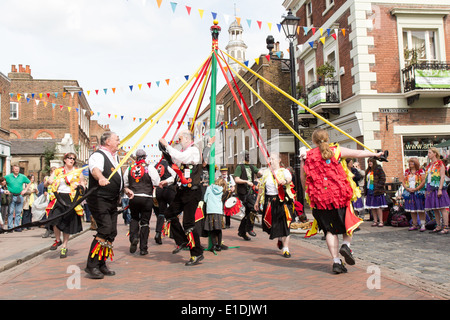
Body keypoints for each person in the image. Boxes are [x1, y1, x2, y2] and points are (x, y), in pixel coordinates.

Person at [301, 128, 383, 274]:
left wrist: (308, 193)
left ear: (313, 141)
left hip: (320, 199)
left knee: (329, 231)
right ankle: (346, 244)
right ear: (327, 138)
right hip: (339, 196)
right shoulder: (336, 150)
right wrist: (375, 154)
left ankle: (336, 261)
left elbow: (303, 178)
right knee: (348, 222)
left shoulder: (307, 155)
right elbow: (358, 153)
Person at [159, 130, 204, 266]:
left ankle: (197, 253)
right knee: (169, 214)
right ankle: (182, 241)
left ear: (186, 138)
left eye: (179, 138)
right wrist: (166, 181)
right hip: (182, 191)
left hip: (192, 191)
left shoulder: (193, 151)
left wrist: (167, 145)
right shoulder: (184, 154)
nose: (178, 141)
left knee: (188, 223)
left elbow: (180, 156)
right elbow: (176, 166)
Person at [85, 132, 123, 279]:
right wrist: (100, 178)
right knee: (105, 228)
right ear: (107, 141)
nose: (119, 141)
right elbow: (95, 169)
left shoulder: (116, 157)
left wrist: (124, 189)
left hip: (112, 199)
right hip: (99, 198)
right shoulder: (98, 155)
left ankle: (101, 263)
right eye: (117, 139)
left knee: (111, 232)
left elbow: (116, 178)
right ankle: (92, 265)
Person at [45, 153, 86, 258]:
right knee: (55, 219)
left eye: (73, 159)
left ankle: (64, 246)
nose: (71, 160)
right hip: (58, 198)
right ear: (65, 159)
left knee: (67, 223)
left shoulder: (77, 172)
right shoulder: (58, 171)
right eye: (69, 158)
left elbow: (83, 185)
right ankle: (58, 240)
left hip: (71, 199)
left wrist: (80, 187)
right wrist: (48, 182)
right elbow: (48, 182)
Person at [255, 153, 295, 258]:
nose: (270, 160)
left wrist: (284, 181)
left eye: (272, 159)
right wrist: (257, 201)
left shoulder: (284, 171)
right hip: (269, 201)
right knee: (271, 225)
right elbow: (261, 188)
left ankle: (286, 249)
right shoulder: (266, 173)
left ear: (279, 160)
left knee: (285, 224)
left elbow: (289, 179)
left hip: (282, 201)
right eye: (269, 159)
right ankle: (280, 238)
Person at [123, 149, 160, 255]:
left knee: (134, 218)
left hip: (134, 197)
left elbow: (125, 183)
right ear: (145, 157)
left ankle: (134, 237)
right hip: (146, 198)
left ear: (136, 157)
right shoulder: (150, 168)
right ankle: (143, 248)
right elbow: (156, 182)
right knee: (145, 223)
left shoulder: (129, 168)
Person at [233, 151, 262, 240]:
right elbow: (237, 179)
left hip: (251, 192)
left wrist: (263, 173)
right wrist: (246, 182)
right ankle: (249, 228)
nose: (247, 159)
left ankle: (242, 232)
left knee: (248, 212)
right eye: (246, 157)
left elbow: (259, 173)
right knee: (253, 208)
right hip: (243, 193)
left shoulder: (251, 166)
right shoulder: (239, 167)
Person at [424, 148, 450, 234]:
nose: (428, 154)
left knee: (442, 207)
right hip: (430, 187)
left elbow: (442, 176)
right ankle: (438, 225)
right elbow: (427, 178)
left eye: (430, 153)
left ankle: (446, 226)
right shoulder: (429, 165)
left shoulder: (440, 163)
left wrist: (440, 189)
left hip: (438, 187)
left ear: (435, 154)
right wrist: (426, 190)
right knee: (434, 208)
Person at [154, 157, 177, 244]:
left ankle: (158, 233)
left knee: (161, 213)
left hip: (159, 190)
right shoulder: (169, 164)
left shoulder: (156, 165)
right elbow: (175, 176)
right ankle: (174, 234)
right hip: (169, 189)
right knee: (174, 212)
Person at [401, 157, 427, 232]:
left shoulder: (420, 171)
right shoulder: (407, 172)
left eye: (412, 162)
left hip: (418, 192)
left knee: (420, 209)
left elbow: (423, 181)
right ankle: (414, 224)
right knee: (412, 210)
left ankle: (422, 224)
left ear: (415, 163)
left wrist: (417, 188)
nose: (410, 164)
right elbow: (403, 180)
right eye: (409, 163)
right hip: (409, 192)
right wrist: (407, 188)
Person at [203, 177, 228, 251]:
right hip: (218, 211)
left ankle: (213, 245)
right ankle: (219, 246)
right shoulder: (222, 190)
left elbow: (205, 199)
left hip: (210, 210)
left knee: (212, 229)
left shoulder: (209, 188)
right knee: (218, 229)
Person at [5, 165, 30, 232]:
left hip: (19, 196)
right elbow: (2, 181)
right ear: (12, 170)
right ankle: (10, 227)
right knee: (10, 212)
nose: (17, 170)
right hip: (11, 196)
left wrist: (25, 190)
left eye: (18, 169)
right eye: (15, 169)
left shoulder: (22, 176)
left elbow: (29, 182)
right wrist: (5, 189)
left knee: (18, 212)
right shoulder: (8, 177)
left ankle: (17, 226)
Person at [364, 158, 387, 227]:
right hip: (369, 190)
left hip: (376, 190)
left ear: (374, 162)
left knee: (378, 206)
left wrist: (378, 186)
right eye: (368, 162)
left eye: (371, 162)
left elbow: (383, 178)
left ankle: (381, 221)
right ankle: (375, 220)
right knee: (372, 207)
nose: (369, 163)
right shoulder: (368, 171)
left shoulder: (378, 169)